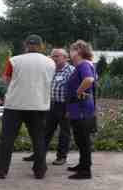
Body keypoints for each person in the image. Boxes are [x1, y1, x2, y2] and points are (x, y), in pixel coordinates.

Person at [0, 34, 55, 180]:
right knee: (38, 139)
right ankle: (40, 170)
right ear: (41, 46)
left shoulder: (14, 60)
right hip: (39, 105)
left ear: (26, 45)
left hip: (15, 104)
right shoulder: (50, 62)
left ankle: (1, 170)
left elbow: (6, 80)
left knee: (7, 139)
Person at [23, 48, 75, 166]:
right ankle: (39, 154)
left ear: (65, 58)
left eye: (57, 56)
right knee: (44, 131)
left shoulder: (71, 71)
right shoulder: (50, 69)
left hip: (64, 105)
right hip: (50, 104)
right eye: (52, 56)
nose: (54, 58)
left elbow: (73, 91)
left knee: (64, 132)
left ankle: (61, 157)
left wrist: (70, 108)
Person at [66, 40, 97, 180]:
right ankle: (83, 164)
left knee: (83, 140)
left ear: (78, 51)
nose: (69, 52)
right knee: (80, 139)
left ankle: (85, 171)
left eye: (71, 50)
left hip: (81, 108)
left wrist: (78, 91)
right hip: (78, 108)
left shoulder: (83, 64)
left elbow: (89, 79)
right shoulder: (82, 65)